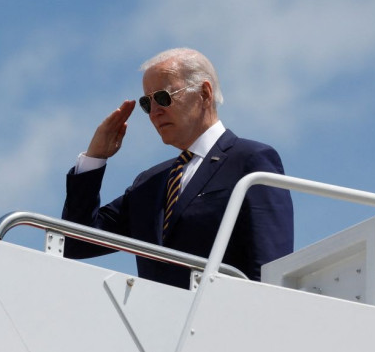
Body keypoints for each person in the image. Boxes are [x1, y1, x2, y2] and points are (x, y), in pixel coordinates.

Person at [62, 48, 294, 289]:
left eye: (163, 97)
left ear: (204, 93)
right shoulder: (148, 184)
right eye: (146, 103)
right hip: (156, 323)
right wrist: (94, 159)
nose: (154, 112)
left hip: (224, 320)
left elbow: (270, 268)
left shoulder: (250, 160)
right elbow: (75, 244)